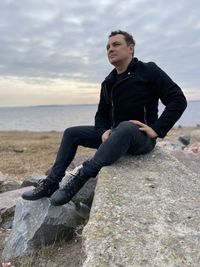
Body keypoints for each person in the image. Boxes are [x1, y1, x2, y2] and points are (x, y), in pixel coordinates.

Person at [22, 30, 187, 206]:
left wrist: (156, 129)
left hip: (140, 137)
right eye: (108, 47)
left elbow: (177, 99)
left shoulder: (148, 71)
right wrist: (102, 132)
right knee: (71, 133)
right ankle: (51, 183)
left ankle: (82, 176)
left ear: (131, 48)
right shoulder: (108, 82)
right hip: (114, 135)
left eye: (116, 45)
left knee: (126, 126)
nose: (110, 49)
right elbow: (101, 114)